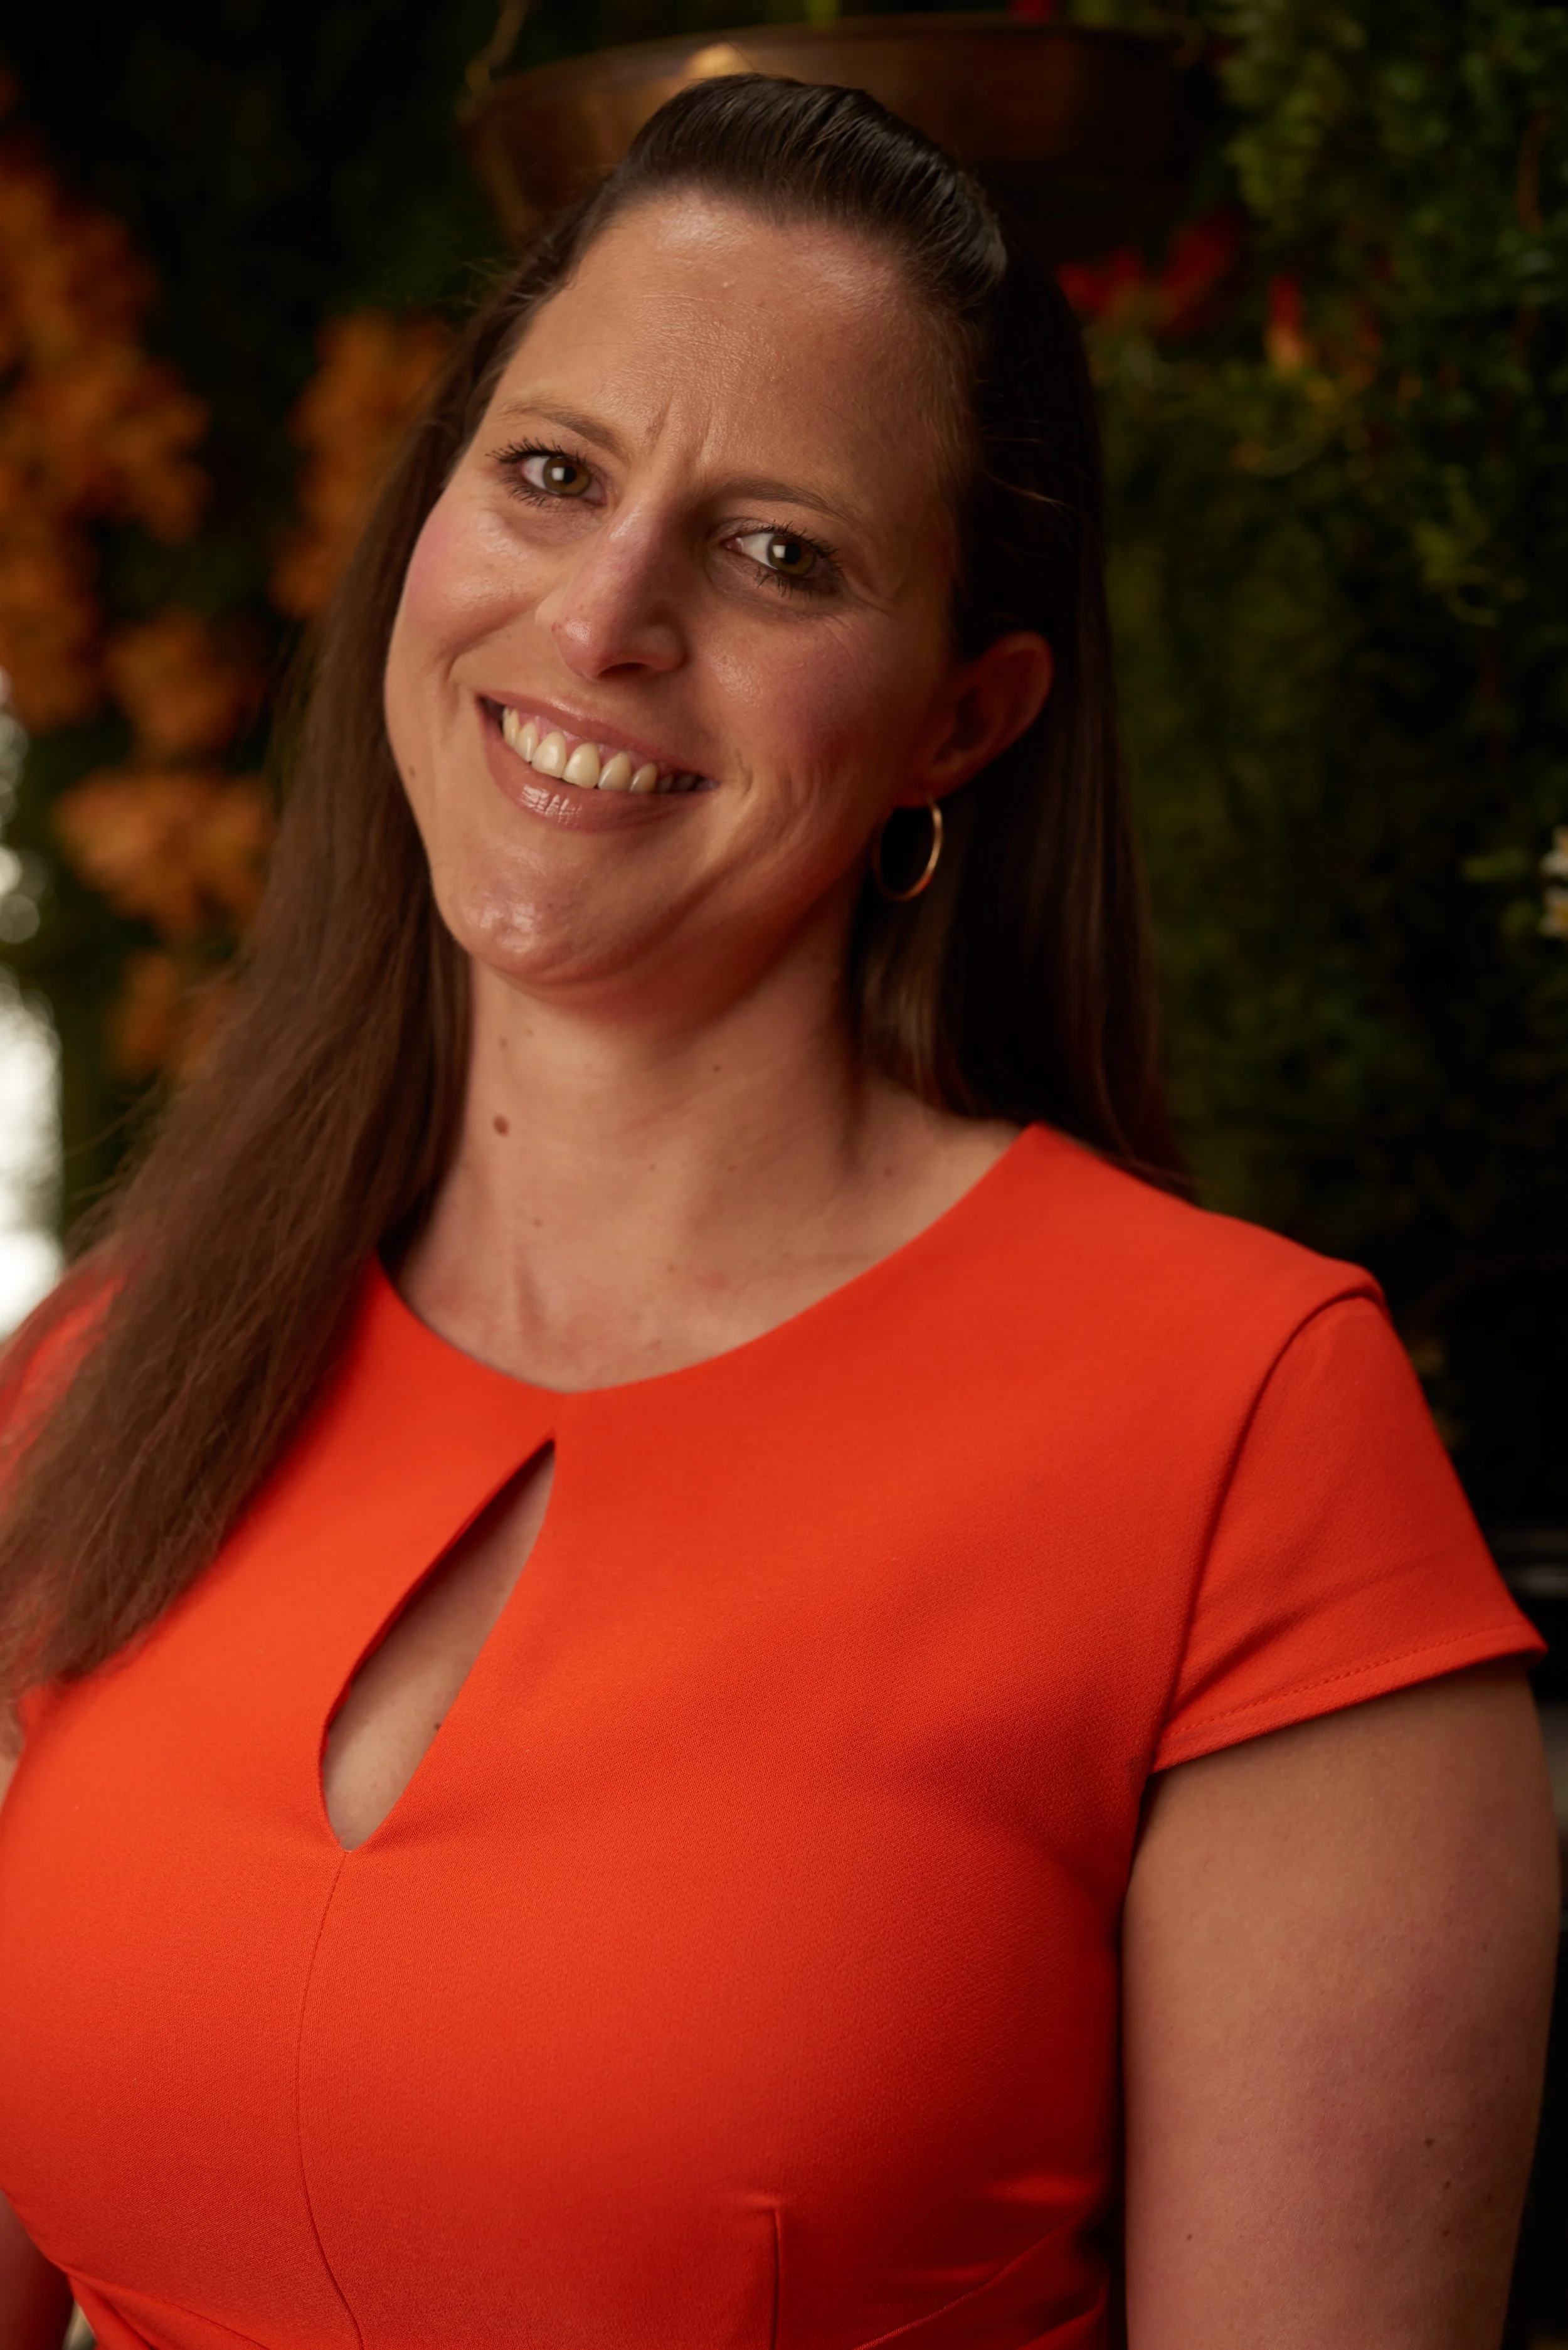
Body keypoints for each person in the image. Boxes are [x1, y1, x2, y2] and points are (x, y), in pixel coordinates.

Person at [0, 74, 1557, 2350]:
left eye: (778, 554)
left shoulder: (1243, 1430)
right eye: (550, 475)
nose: (608, 615)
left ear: (961, 718)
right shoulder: (106, 1380)